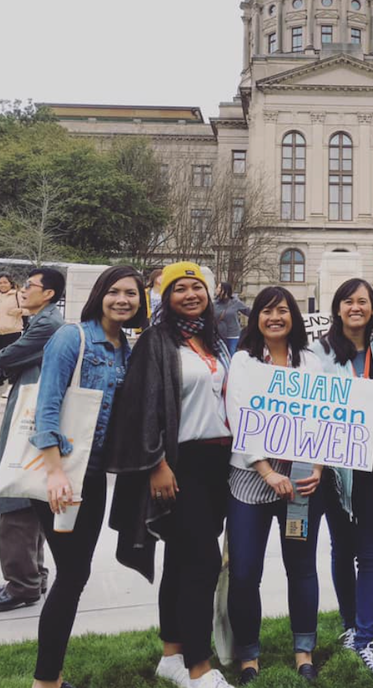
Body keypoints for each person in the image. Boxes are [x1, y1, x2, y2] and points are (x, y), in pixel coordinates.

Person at [107, 262, 234, 688]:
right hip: (181, 465)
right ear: (165, 297)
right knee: (202, 562)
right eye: (178, 288)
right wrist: (156, 464)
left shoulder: (214, 342)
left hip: (219, 464)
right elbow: (140, 408)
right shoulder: (156, 343)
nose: (189, 294)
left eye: (196, 286)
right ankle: (199, 665)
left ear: (210, 292)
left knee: (181, 561)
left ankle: (171, 654)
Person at [28, 265, 146, 688]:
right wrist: (55, 471)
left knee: (75, 575)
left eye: (131, 294)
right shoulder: (72, 337)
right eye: (114, 291)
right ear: (100, 294)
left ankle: (51, 678)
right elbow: (47, 404)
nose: (122, 300)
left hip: (92, 479)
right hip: (58, 477)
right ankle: (46, 682)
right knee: (73, 574)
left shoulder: (126, 348)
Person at [227, 286, 324, 684]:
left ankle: (304, 651)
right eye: (266, 311)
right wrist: (266, 470)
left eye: (282, 311)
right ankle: (248, 655)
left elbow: (324, 416)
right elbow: (239, 415)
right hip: (251, 480)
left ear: (294, 317)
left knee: (301, 568)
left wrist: (318, 464)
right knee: (245, 572)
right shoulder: (243, 362)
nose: (274, 318)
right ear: (256, 319)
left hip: (301, 482)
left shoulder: (312, 362)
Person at [311, 278, 373, 677]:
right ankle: (347, 624)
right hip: (332, 471)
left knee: (370, 553)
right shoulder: (318, 352)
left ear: (372, 309)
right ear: (337, 308)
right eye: (348, 301)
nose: (356, 307)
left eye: (363, 301)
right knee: (341, 550)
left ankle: (365, 635)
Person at [0, 268, 66, 613]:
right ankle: (32, 576)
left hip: (27, 422)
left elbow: (5, 358)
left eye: (30, 285)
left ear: (48, 293)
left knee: (15, 496)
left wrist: (2, 363)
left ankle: (22, 584)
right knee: (27, 497)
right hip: (30, 416)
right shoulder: (45, 321)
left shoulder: (47, 325)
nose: (23, 290)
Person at [214, 282, 251, 356]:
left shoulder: (235, 302)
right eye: (217, 288)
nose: (217, 290)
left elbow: (249, 312)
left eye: (219, 288)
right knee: (222, 357)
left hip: (233, 335)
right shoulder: (215, 304)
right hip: (219, 335)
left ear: (225, 290)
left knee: (231, 356)